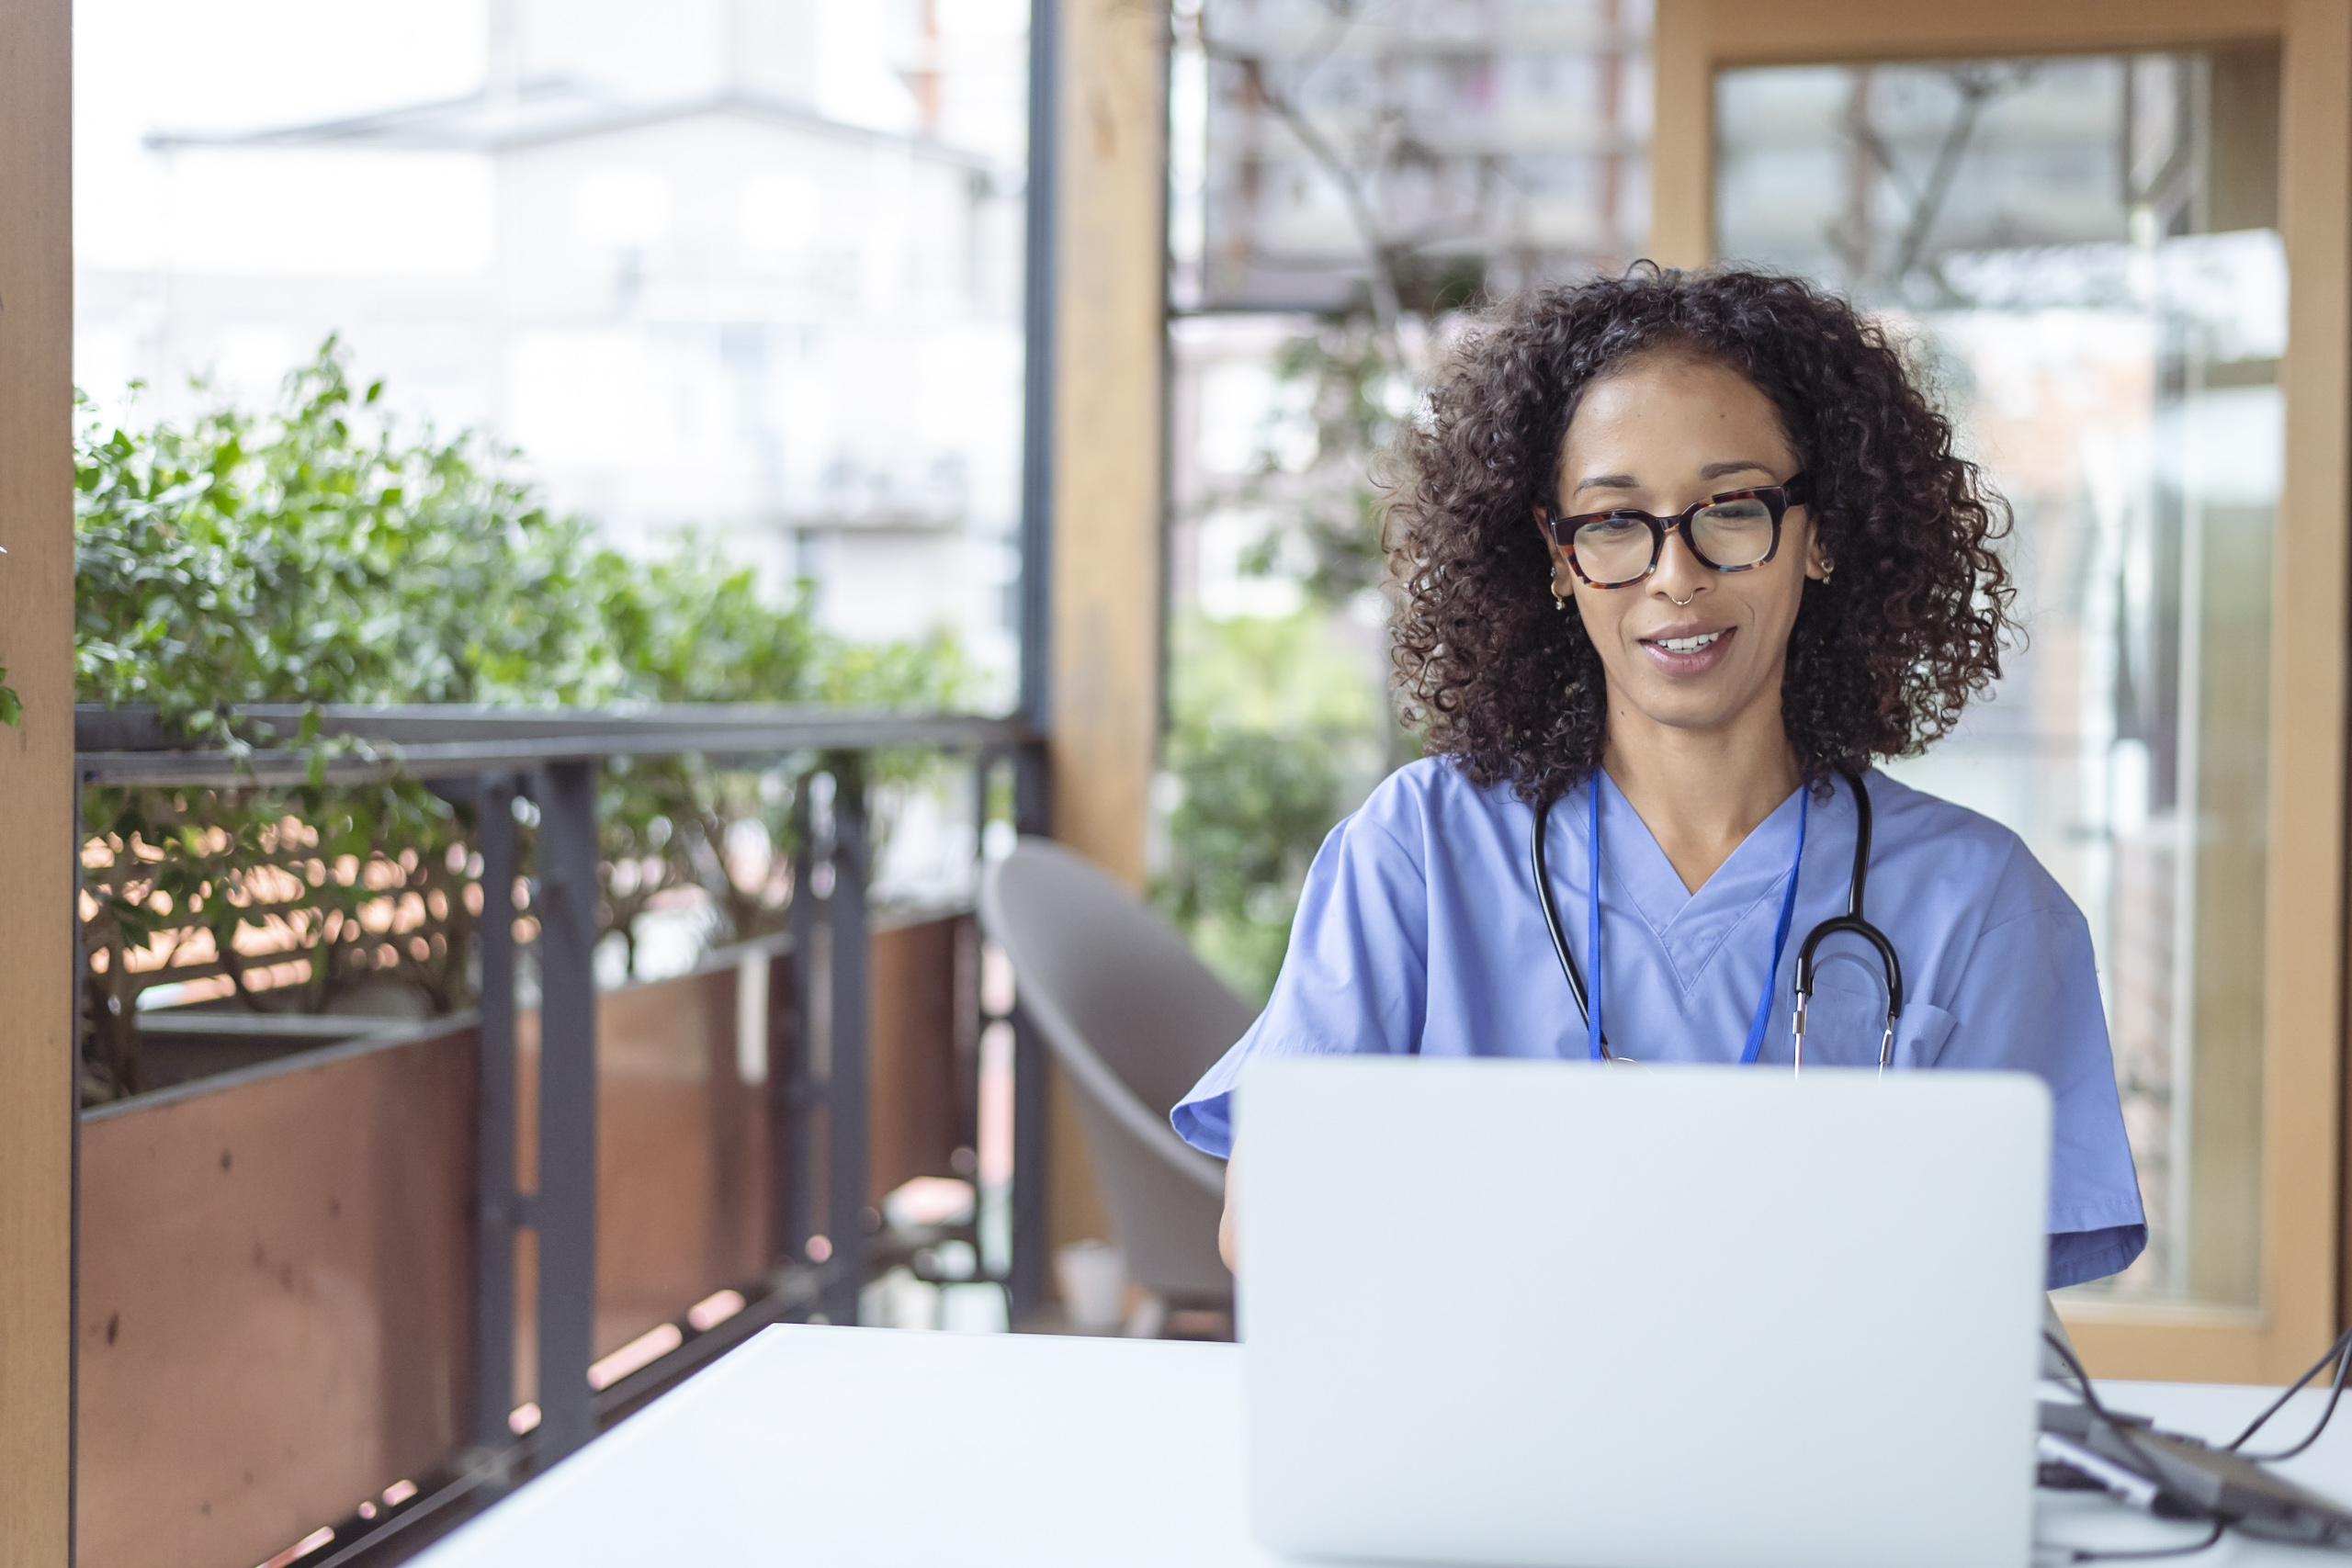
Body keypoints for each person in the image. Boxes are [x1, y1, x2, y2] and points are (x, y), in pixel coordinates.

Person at [1172, 266, 2146, 1290]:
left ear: (1816, 535)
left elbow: (1976, 1310)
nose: (1674, 575)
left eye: (1731, 508)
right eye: (1613, 522)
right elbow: (1272, 1219)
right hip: (1484, 1435)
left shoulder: (1978, 904)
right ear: (1555, 558)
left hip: (1822, 1448)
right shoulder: (1416, 855)